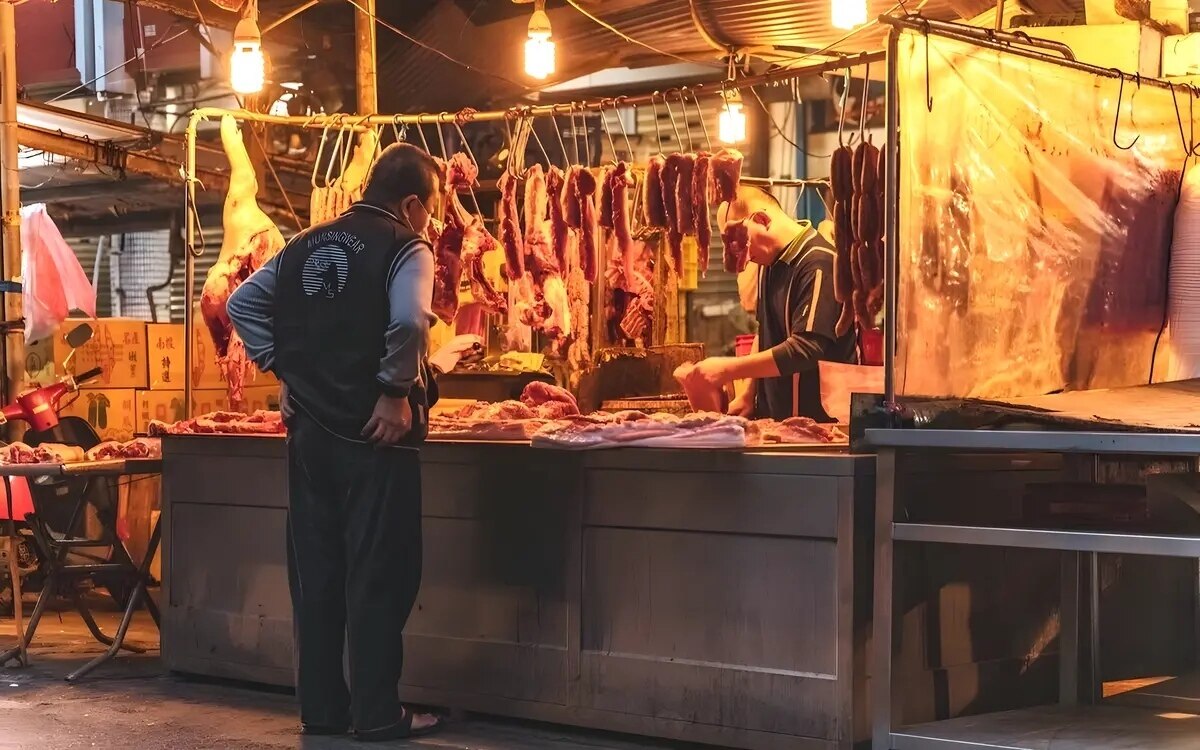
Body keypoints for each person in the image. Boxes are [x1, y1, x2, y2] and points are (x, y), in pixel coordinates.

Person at [226, 143, 477, 741]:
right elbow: (412, 321)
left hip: (309, 436)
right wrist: (393, 390)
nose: (432, 221)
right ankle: (377, 714)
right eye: (431, 208)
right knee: (378, 574)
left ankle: (323, 711)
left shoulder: (304, 243)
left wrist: (287, 371)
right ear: (412, 203)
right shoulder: (405, 246)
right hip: (374, 437)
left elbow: (242, 304)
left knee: (317, 575)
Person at [681, 186, 855, 421]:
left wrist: (727, 369)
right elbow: (763, 333)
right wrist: (748, 394)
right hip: (777, 424)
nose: (738, 253)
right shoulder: (769, 265)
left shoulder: (819, 263)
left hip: (819, 427)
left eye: (740, 240)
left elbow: (806, 349)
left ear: (762, 219)